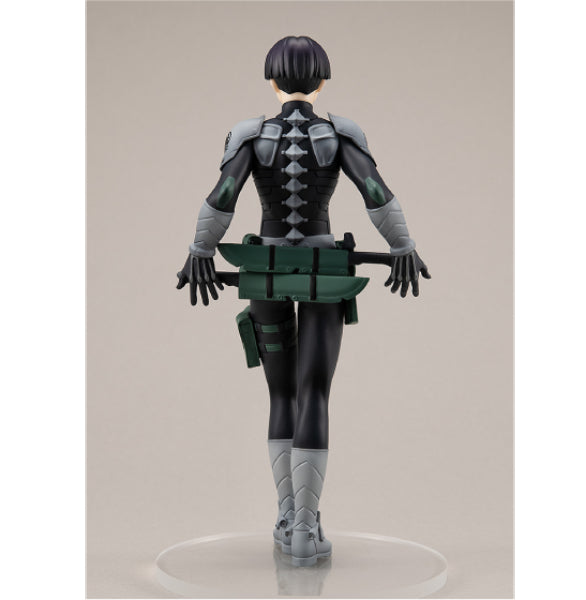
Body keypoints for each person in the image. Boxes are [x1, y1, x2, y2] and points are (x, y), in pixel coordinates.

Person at [177, 35, 430, 567]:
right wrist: (402, 246)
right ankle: (305, 529)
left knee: (281, 394)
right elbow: (375, 191)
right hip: (324, 272)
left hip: (264, 270)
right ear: (323, 81)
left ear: (271, 80)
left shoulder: (251, 135)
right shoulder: (339, 134)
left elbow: (224, 196)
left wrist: (200, 250)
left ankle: (287, 516)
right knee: (314, 391)